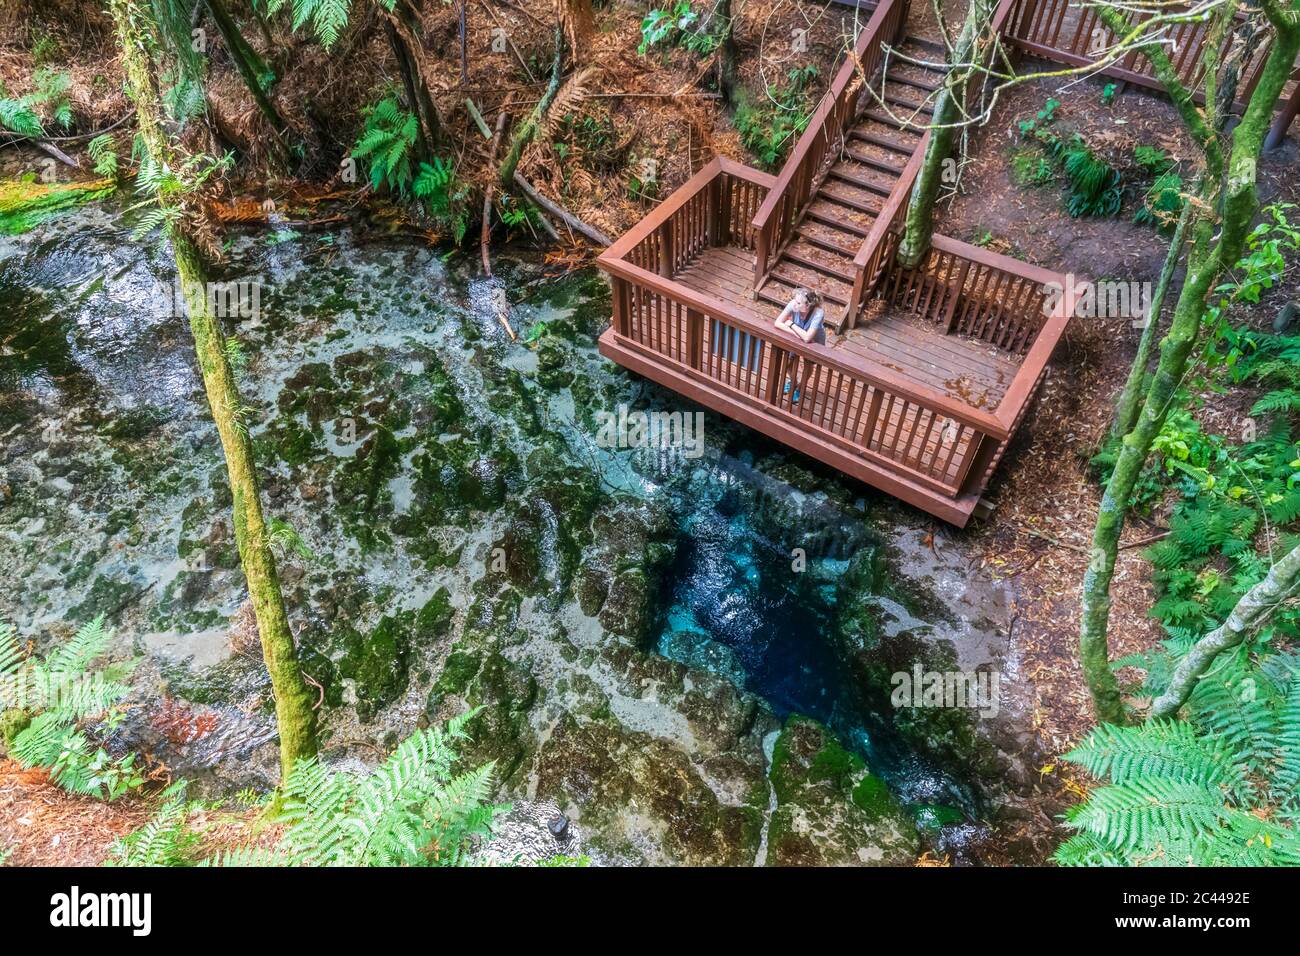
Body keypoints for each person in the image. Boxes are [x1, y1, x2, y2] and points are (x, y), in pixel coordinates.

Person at [774, 287, 825, 404]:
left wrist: (791, 324)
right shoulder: (793, 304)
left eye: (798, 303)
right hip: (796, 336)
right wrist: (795, 333)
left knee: (808, 364)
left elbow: (807, 338)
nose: (794, 304)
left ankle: (800, 387)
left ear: (808, 305)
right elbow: (777, 323)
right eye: (795, 301)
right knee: (788, 362)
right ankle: (793, 381)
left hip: (814, 341)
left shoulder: (818, 313)